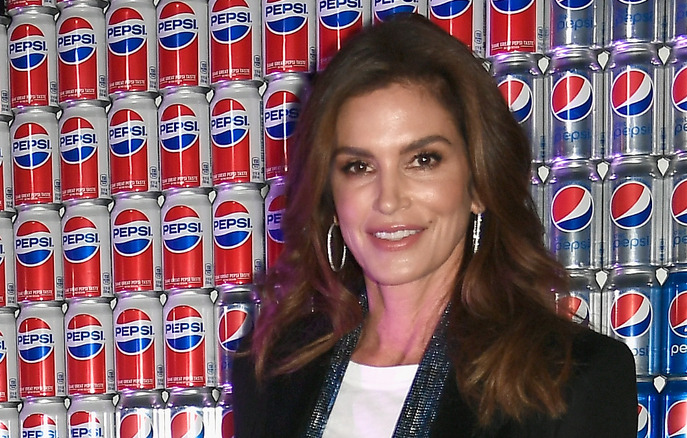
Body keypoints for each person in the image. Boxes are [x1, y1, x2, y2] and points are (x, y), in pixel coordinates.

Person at [233, 13, 637, 438]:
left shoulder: (570, 378)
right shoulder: (270, 371)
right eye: (359, 166)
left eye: (423, 160)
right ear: (330, 199)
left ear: (478, 182)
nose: (389, 199)